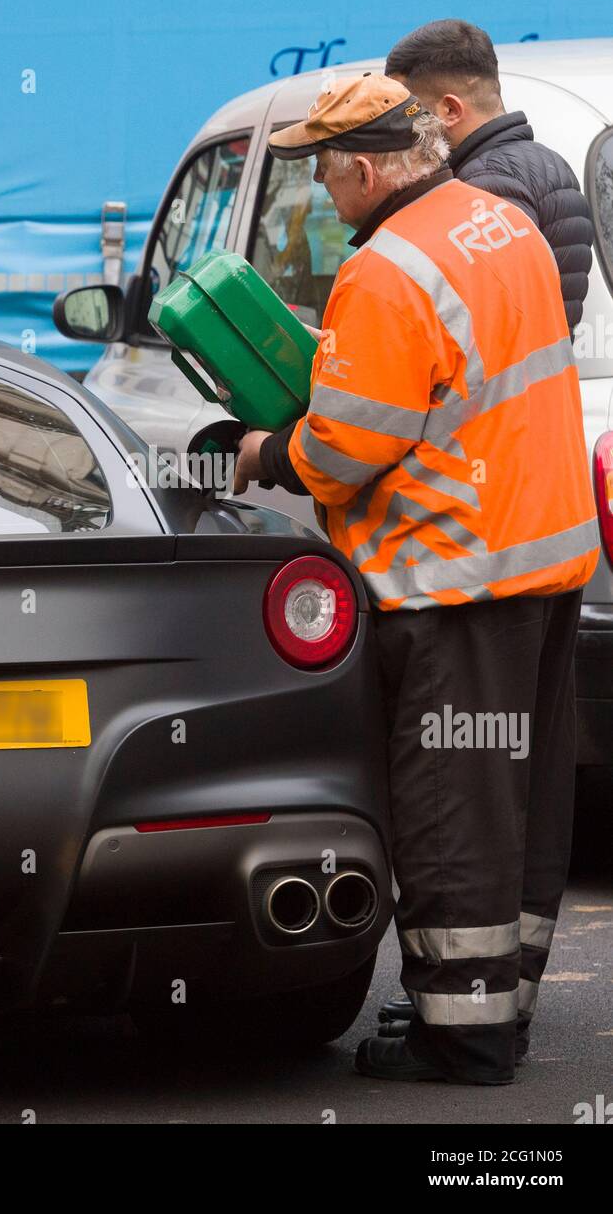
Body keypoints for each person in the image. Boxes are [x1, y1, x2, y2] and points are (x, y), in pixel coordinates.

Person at [233, 72, 599, 1085]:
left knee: (449, 810)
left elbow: (349, 446)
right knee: (519, 809)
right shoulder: (497, 223)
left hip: (450, 580)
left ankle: (461, 1032)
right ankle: (500, 1006)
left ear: (359, 168)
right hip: (537, 565)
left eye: (321, 178)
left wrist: (267, 451)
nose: (320, 198)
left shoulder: (383, 270)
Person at [385, 18, 592, 337]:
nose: (405, 128)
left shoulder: (481, 184)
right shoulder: (550, 164)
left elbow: (478, 326)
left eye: (409, 112)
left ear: (450, 110)